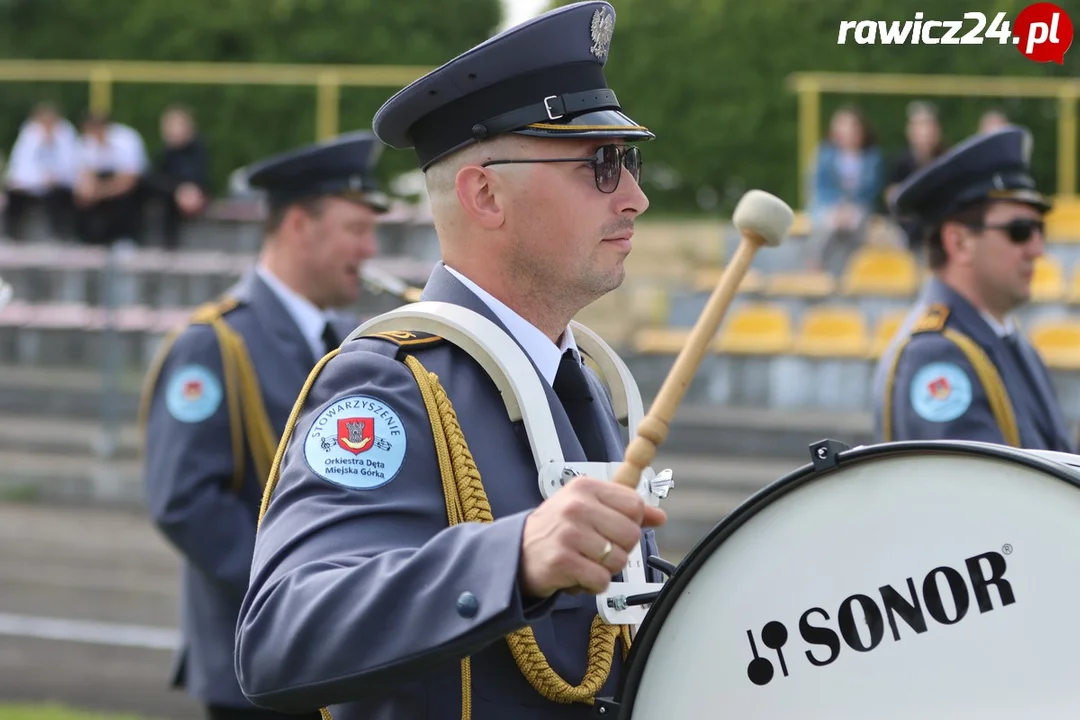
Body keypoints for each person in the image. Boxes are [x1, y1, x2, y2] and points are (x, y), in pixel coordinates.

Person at [234, 3, 667, 719]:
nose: (635, 197)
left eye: (628, 162)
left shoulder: (580, 377)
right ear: (485, 193)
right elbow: (281, 631)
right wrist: (514, 558)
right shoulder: (389, 382)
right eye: (600, 165)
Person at [140, 131, 389, 720]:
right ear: (300, 226)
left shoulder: (343, 341)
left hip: (331, 658)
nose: (370, 249)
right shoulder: (215, 343)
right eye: (356, 230)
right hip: (256, 663)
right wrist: (307, 592)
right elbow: (184, 501)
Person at [872, 125, 1074, 452]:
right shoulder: (937, 355)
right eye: (1020, 231)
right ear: (959, 242)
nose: (1038, 249)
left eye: (1040, 229)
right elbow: (980, 497)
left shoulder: (1002, 336)